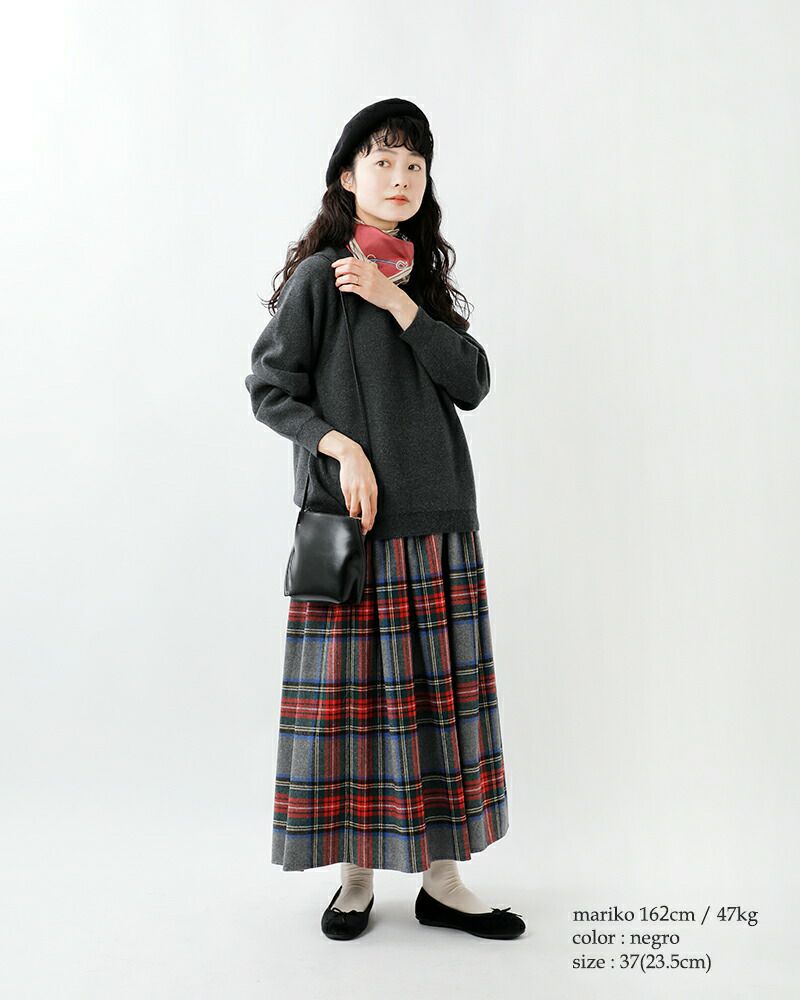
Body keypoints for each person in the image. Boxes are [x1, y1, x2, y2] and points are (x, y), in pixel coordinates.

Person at [244, 98, 525, 941]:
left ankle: (444, 883)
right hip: (355, 531)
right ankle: (355, 881)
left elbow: (472, 382)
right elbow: (269, 389)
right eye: (383, 161)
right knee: (354, 713)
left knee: (440, 710)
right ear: (347, 177)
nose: (400, 178)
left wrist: (400, 304)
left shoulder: (418, 281)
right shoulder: (320, 279)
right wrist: (340, 446)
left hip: (438, 523)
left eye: (414, 165)